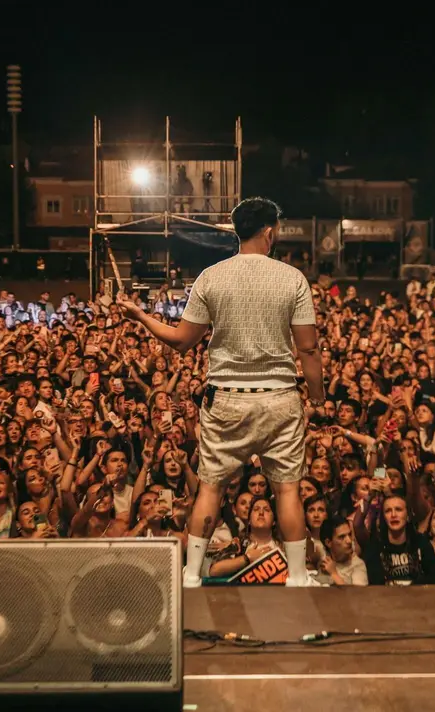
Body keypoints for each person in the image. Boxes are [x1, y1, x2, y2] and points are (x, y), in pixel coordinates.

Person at [118, 197, 325, 587]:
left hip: (226, 396)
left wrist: (142, 315)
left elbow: (180, 341)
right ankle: (299, 577)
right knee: (287, 490)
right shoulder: (292, 279)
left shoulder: (211, 277)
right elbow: (309, 348)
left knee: (210, 489)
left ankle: (192, 575)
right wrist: (317, 396)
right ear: (269, 231)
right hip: (279, 396)